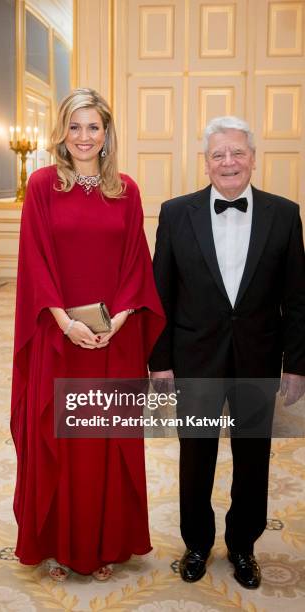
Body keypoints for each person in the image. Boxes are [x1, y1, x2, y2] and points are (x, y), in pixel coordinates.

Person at [11, 88, 165, 581]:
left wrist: (117, 321)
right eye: (75, 127)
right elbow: (35, 262)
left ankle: (105, 545)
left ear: (106, 133)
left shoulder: (127, 190)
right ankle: (59, 545)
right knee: (60, 439)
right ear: (62, 132)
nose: (84, 137)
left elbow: (136, 265)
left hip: (113, 341)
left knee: (103, 441)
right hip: (59, 339)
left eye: (92, 127)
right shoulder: (40, 187)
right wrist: (66, 323)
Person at [149, 116, 305, 589]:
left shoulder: (285, 213)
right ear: (206, 162)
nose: (229, 162)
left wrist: (296, 364)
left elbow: (297, 296)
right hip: (194, 359)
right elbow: (161, 292)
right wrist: (160, 360)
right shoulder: (176, 213)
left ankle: (242, 545)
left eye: (237, 152)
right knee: (194, 456)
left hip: (259, 359)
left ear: (254, 158)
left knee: (253, 458)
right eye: (219, 154)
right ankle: (196, 543)